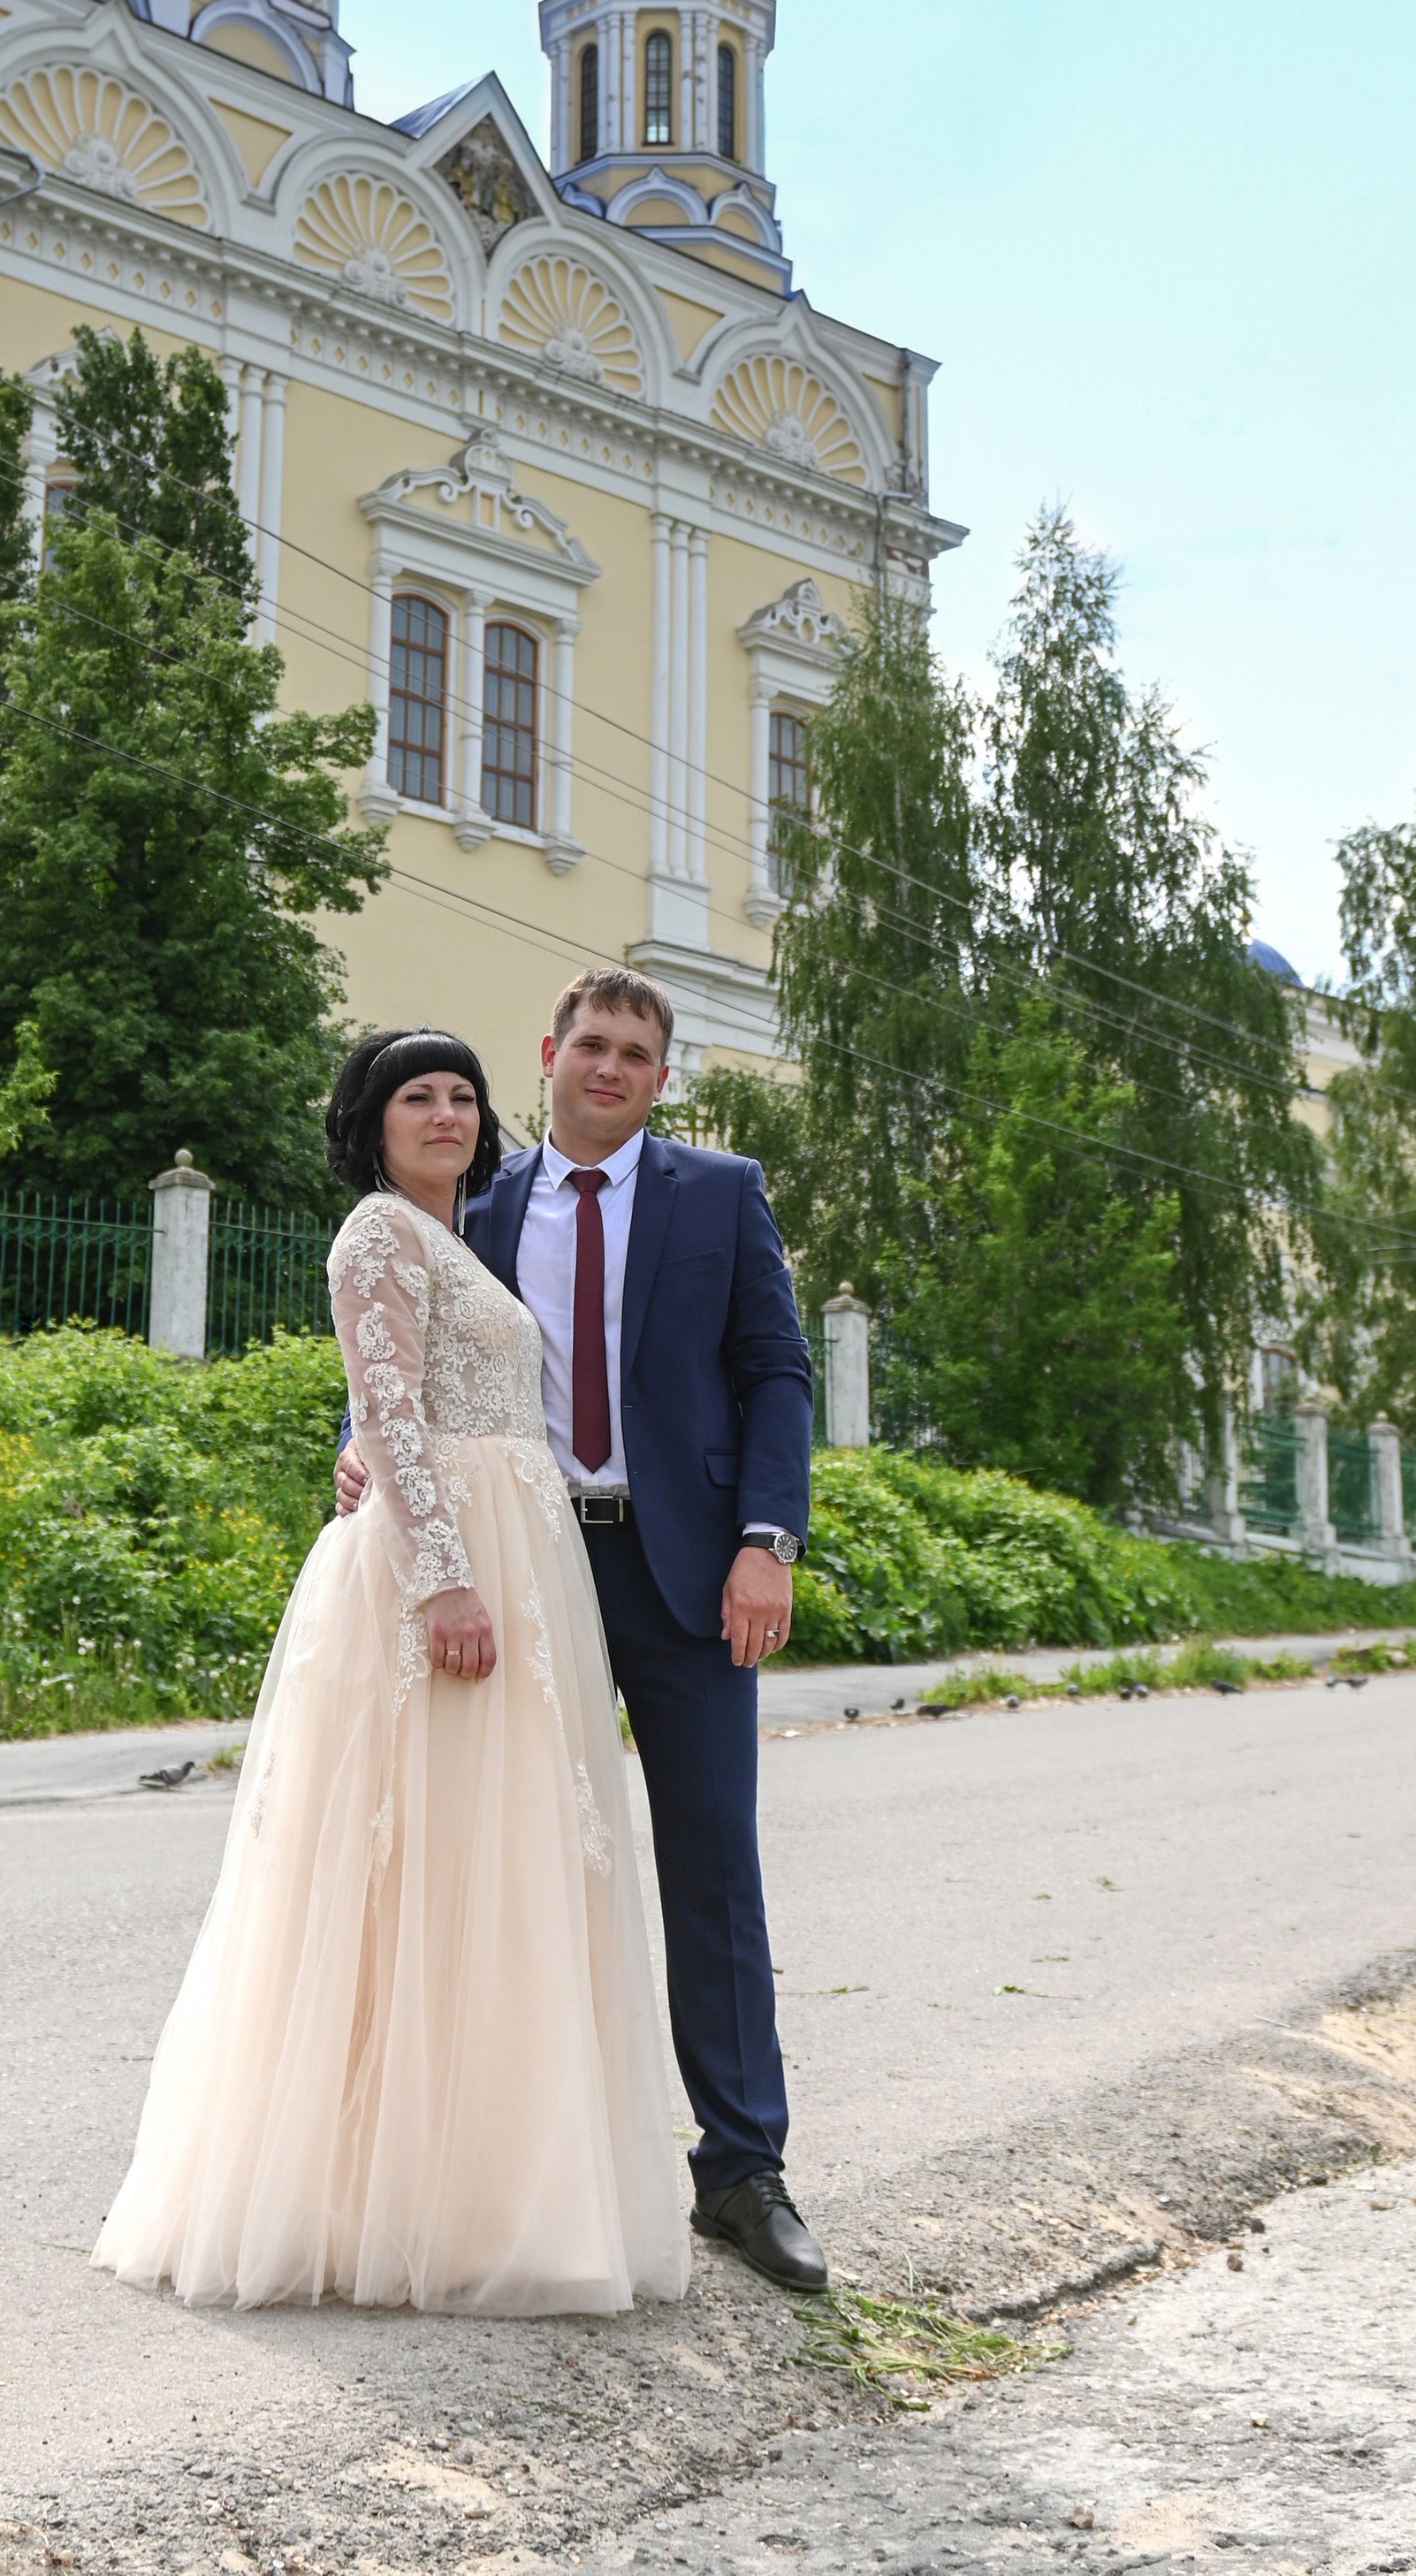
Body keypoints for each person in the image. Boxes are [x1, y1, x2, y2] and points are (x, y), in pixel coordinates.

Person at [91, 1025, 690, 2315]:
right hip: (454, 1564)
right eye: (418, 1096)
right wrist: (442, 1577)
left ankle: (471, 2188)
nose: (447, 1114)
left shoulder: (456, 1237)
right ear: (374, 1120)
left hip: (514, 1549)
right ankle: (377, 2198)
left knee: (492, 1871)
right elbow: (392, 1406)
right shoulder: (373, 1233)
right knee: (414, 1874)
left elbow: (403, 1396)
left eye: (464, 1097)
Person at [336, 967, 827, 2291]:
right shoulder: (474, 1193)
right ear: (548, 1052)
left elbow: (776, 1370)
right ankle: (501, 2171)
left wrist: (765, 1541)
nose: (609, 1069)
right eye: (590, 1046)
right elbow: (402, 1347)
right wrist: (359, 1453)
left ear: (663, 1077)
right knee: (508, 1865)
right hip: (520, 1569)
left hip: (687, 1576)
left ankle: (740, 2171)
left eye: (637, 1054)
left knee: (712, 1858)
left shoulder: (720, 1195)